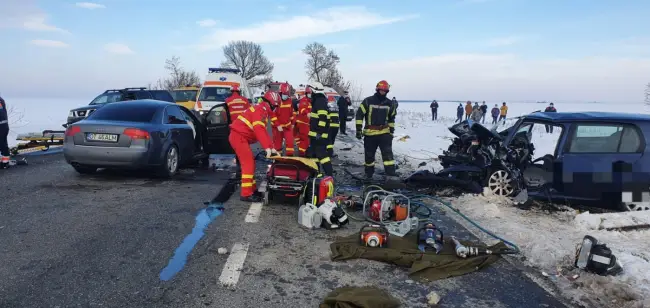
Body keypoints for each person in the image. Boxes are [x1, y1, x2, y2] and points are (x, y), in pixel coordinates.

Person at [228, 91, 280, 202]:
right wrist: (267, 148)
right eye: (275, 106)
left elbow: (264, 132)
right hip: (238, 137)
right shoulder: (260, 110)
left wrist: (271, 147)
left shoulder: (261, 109)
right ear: (270, 103)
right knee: (248, 163)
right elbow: (259, 130)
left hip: (239, 137)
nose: (275, 108)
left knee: (250, 163)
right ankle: (246, 194)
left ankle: (251, 190)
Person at [355, 80, 397, 179]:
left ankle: (391, 176)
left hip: (384, 134)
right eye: (381, 90)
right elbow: (359, 115)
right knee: (369, 157)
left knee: (388, 157)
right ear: (377, 89)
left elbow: (392, 118)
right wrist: (358, 130)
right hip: (370, 134)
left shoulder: (389, 103)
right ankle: (368, 175)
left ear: (387, 91)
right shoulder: (367, 101)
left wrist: (391, 132)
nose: (383, 92)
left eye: (385, 91)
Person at [307, 82, 334, 176]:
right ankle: (317, 174)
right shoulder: (318, 100)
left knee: (322, 155)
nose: (309, 92)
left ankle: (329, 175)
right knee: (313, 155)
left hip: (319, 135)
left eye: (311, 90)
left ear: (314, 90)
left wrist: (319, 132)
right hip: (315, 135)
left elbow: (323, 118)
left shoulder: (319, 101)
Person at [270, 83, 295, 156]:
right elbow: (272, 115)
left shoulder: (289, 100)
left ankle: (290, 157)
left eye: (287, 94)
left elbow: (291, 113)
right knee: (277, 143)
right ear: (280, 92)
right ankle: (278, 158)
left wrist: (293, 123)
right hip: (277, 127)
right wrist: (277, 125)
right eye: (284, 94)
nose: (285, 96)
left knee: (290, 142)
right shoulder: (275, 101)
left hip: (287, 126)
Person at [295, 88, 312, 157]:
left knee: (306, 139)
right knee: (305, 138)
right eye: (309, 93)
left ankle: (304, 151)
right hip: (303, 123)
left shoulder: (310, 100)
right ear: (306, 93)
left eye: (311, 93)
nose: (310, 95)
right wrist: (307, 113)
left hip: (307, 123)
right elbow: (302, 109)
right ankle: (302, 153)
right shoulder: (304, 100)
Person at [0, 95, 9, 169]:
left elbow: (1, 113)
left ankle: (4, 163)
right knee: (3, 145)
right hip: (3, 126)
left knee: (2, 144)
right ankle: (4, 162)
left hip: (1, 126)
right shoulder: (1, 100)